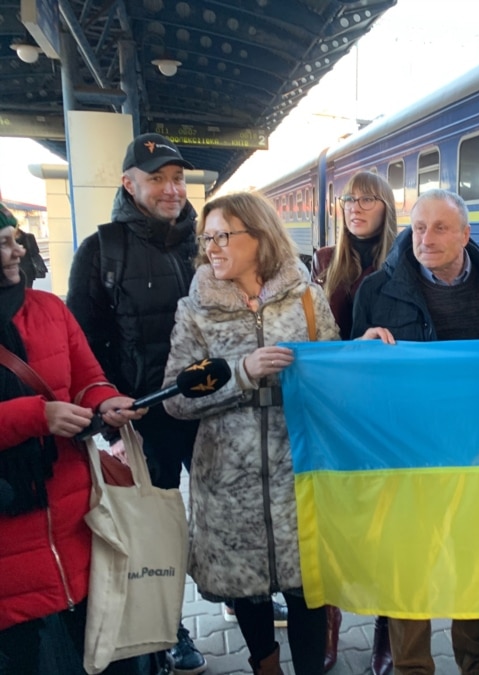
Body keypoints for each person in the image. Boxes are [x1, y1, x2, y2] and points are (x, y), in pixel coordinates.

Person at [162, 191, 340, 675]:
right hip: (227, 474)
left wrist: (362, 351)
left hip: (297, 464)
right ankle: (265, 664)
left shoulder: (307, 297)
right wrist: (241, 372)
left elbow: (335, 373)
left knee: (308, 586)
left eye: (223, 236)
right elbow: (176, 397)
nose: (212, 248)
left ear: (259, 236)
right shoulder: (196, 309)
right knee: (245, 586)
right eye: (207, 239)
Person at [351, 188, 479, 675]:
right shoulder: (375, 290)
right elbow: (353, 374)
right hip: (407, 452)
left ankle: (477, 665)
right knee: (409, 564)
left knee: (477, 564)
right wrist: (359, 347)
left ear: (466, 234)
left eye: (441, 228)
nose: (425, 239)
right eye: (419, 228)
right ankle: (412, 668)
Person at [66, 132, 207, 675]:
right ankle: (169, 626)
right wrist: (106, 410)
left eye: (178, 178)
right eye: (157, 179)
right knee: (156, 528)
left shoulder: (207, 241)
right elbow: (81, 344)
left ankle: (240, 590)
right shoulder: (101, 250)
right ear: (129, 184)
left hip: (210, 412)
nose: (172, 189)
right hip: (147, 420)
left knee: (221, 513)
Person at [0, 202, 146, 674]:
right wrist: (35, 416)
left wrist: (105, 401)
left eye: (16, 240)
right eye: (4, 243)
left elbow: (87, 378)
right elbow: (42, 410)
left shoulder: (50, 309)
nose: (18, 251)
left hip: (76, 521)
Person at [310, 171, 398, 674]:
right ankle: (330, 624)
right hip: (338, 405)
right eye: (349, 199)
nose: (356, 207)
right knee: (335, 518)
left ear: (387, 206)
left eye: (368, 199)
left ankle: (387, 626)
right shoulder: (326, 262)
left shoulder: (405, 258)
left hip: (387, 407)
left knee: (387, 521)